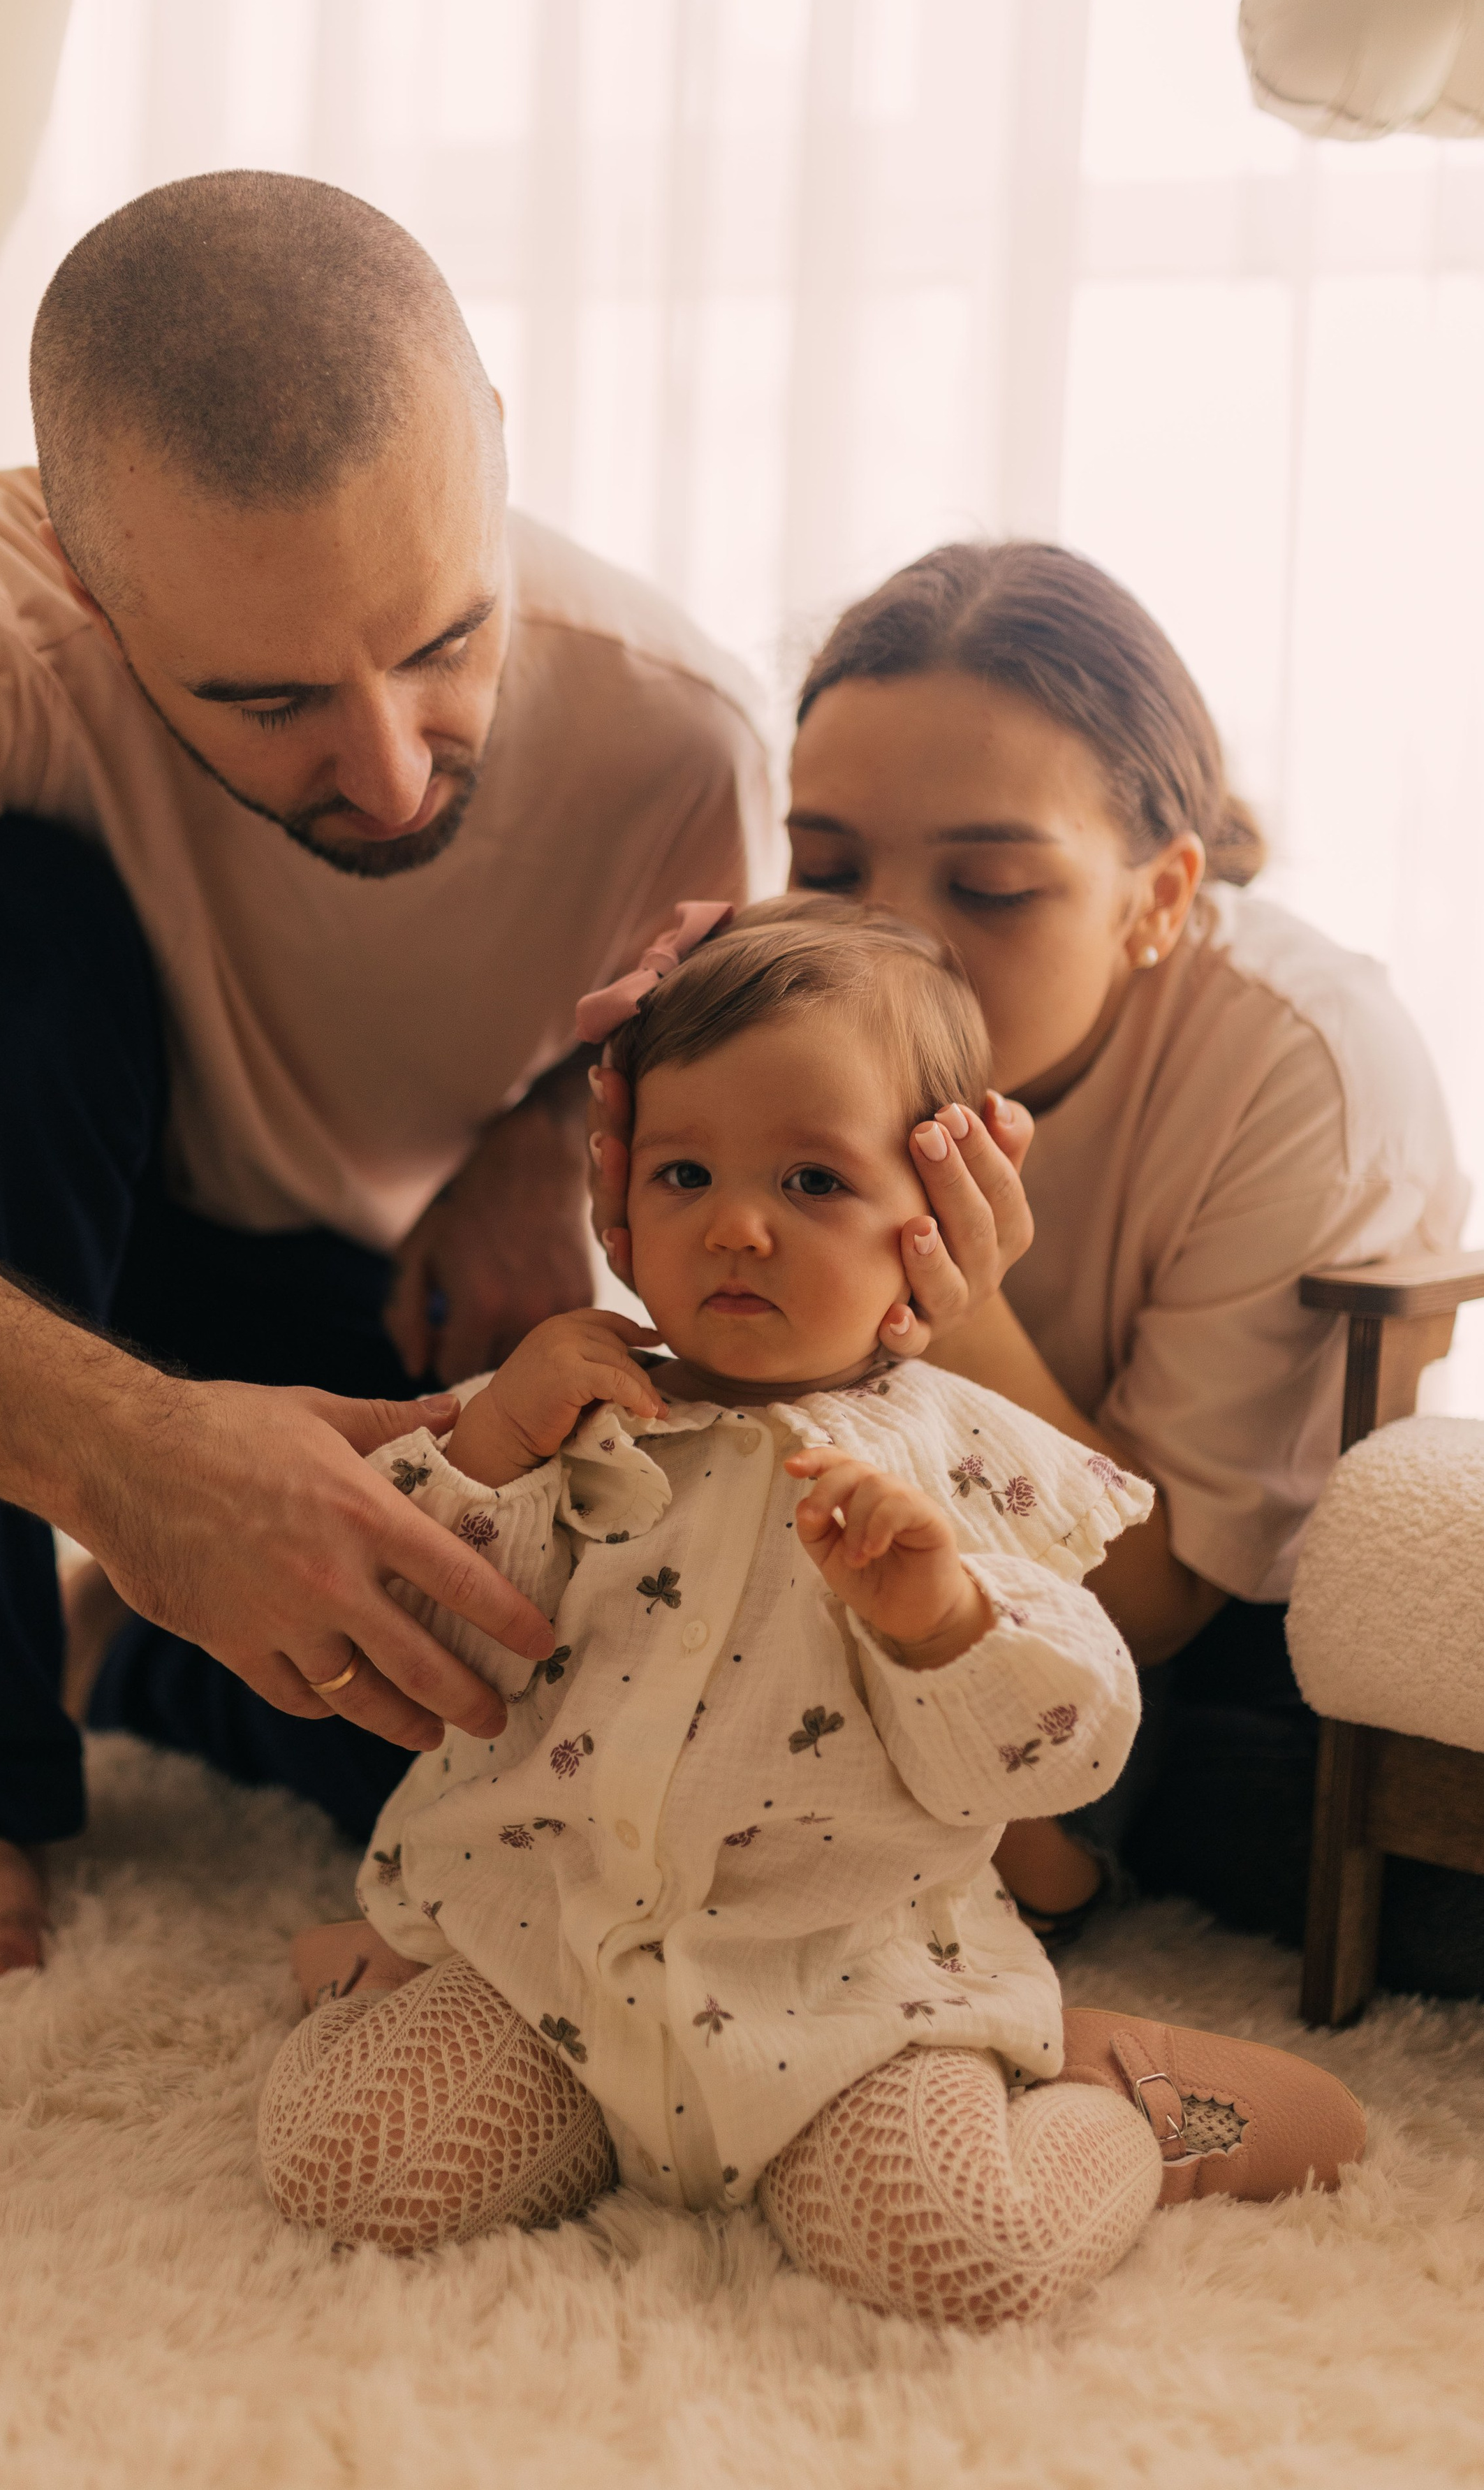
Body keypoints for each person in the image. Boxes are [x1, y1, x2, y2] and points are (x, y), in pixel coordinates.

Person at [0, 169, 793, 1971]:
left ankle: (106, 1639)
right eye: (267, 702)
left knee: (515, 1756)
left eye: (443, 642)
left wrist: (543, 1127)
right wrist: (132, 1466)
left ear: (497, 453)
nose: (386, 774)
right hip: (26, 1222)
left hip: (341, 1302)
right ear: (75, 568)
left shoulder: (681, 732)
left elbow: (754, 1145)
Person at [258, 899, 1364, 2329]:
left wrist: (941, 1622)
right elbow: (406, 1638)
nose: (733, 1223)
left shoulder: (963, 1458)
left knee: (969, 2257)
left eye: (809, 1181)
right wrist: (482, 1462)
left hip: (844, 2002)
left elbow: (1070, 1744)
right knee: (344, 2166)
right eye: (684, 1172)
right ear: (617, 1199)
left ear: (934, 1217)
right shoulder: (551, 1410)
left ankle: (1114, 2096)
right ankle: (401, 1961)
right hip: (550, 1957)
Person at [592, 541, 1475, 1991]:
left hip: (1163, 1603)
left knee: (1329, 1858)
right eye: (823, 865)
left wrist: (952, 1306)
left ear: (1155, 899)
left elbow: (1150, 1607)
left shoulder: (1297, 1068)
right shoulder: (791, 1001)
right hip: (845, 1527)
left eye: (990, 886)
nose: (885, 930)